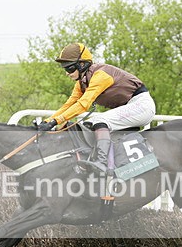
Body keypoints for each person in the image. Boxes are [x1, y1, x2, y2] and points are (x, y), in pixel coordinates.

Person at [38, 43, 156, 173]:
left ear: (82, 64)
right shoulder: (81, 82)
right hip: (130, 107)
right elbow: (69, 104)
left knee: (100, 121)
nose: (67, 73)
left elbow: (83, 104)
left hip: (141, 105)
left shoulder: (100, 75)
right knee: (89, 124)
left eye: (70, 68)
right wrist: (47, 121)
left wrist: (56, 121)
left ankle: (101, 162)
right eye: (64, 69)